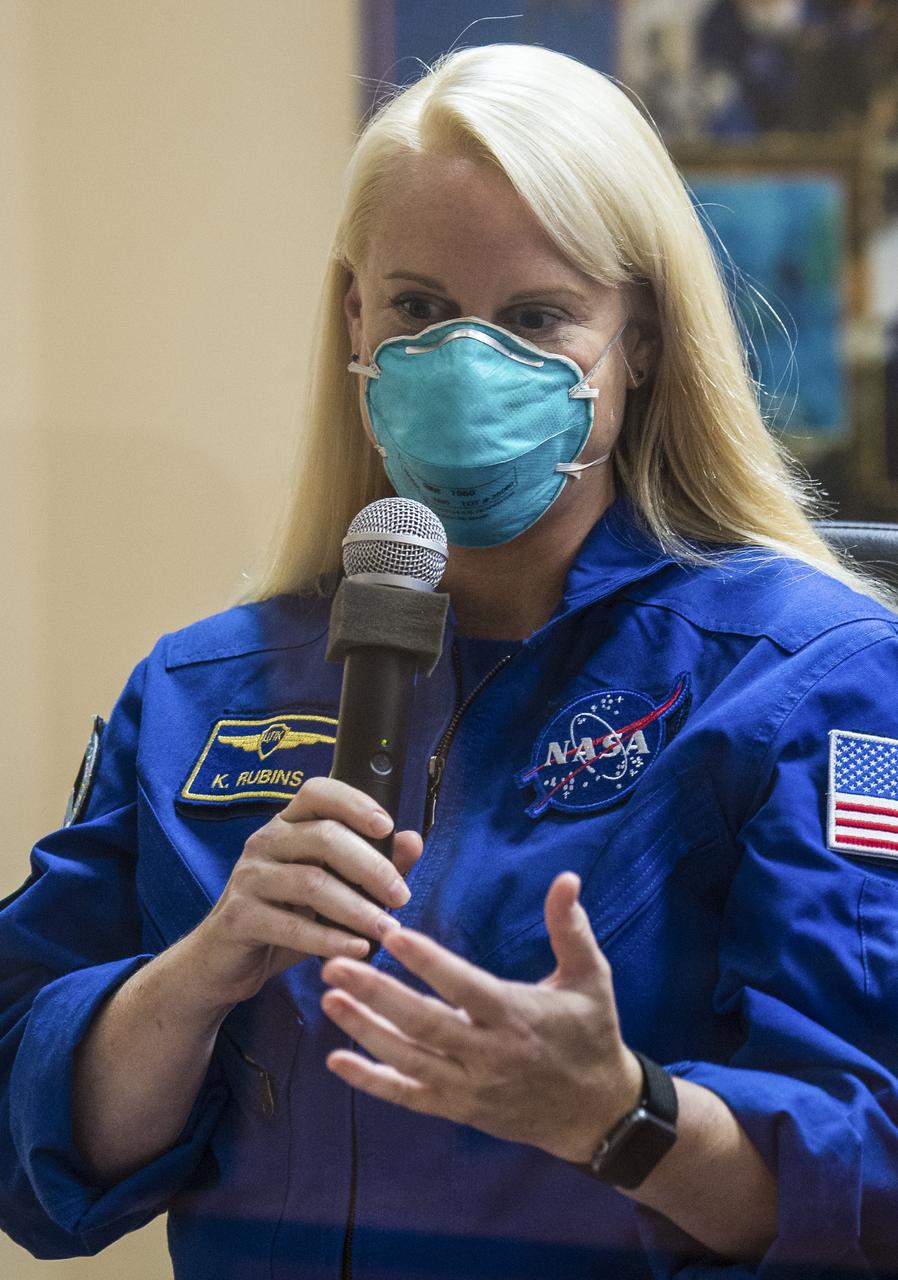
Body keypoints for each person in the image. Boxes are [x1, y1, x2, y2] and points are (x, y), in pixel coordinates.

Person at [2, 41, 898, 1280]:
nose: (467, 363)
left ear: (636, 339)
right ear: (355, 319)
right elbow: (28, 1145)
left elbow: (873, 1184)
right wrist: (193, 976)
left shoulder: (806, 674)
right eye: (420, 307)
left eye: (533, 316)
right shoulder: (198, 690)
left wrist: (618, 1113)